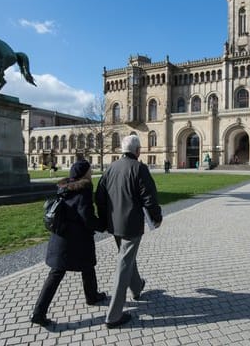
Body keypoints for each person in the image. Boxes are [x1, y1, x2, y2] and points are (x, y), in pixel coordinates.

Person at [95, 135, 162, 329]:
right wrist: (156, 218)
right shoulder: (140, 168)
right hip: (131, 225)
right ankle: (113, 316)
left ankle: (137, 287)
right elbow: (149, 197)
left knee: (126, 258)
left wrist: (104, 218)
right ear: (138, 151)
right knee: (123, 264)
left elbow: (99, 196)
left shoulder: (111, 168)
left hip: (114, 224)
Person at [31, 160, 106, 326]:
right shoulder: (84, 189)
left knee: (72, 269)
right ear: (83, 173)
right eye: (89, 171)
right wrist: (102, 225)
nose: (91, 173)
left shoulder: (63, 187)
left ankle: (92, 296)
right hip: (76, 238)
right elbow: (86, 215)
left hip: (61, 236)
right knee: (80, 266)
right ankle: (39, 313)